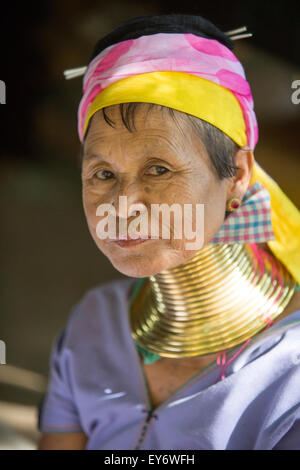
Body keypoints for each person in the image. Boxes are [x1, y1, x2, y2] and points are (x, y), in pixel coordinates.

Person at [37, 14, 300, 450]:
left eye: (159, 169)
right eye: (103, 173)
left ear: (236, 175)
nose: (123, 205)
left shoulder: (288, 372)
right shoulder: (94, 321)